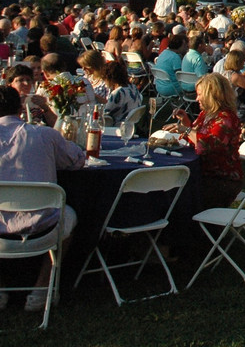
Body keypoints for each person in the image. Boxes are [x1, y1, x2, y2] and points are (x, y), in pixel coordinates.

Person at [0, 85, 85, 312]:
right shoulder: (44, 135)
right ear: (21, 108)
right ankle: (42, 286)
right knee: (69, 214)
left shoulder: (44, 135)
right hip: (43, 230)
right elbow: (77, 160)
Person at [168, 72, 243, 210]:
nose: (197, 99)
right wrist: (186, 122)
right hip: (204, 172)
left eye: (199, 94)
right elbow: (197, 137)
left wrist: (186, 130)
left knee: (177, 193)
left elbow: (206, 146)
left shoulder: (225, 119)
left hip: (220, 179)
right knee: (172, 186)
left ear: (212, 95)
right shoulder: (207, 114)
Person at [102, 60, 142, 125]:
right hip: (131, 122)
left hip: (119, 124)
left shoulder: (118, 93)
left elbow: (106, 113)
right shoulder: (133, 87)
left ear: (110, 78)